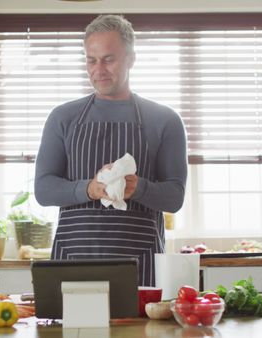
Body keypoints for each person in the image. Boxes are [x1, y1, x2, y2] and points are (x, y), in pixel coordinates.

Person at [34, 14, 187, 286]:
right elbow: (44, 189)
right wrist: (89, 189)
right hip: (72, 261)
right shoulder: (63, 117)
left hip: (141, 265)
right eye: (91, 60)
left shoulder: (164, 120)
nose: (98, 69)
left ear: (131, 59)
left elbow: (175, 197)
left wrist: (137, 188)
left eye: (109, 59)